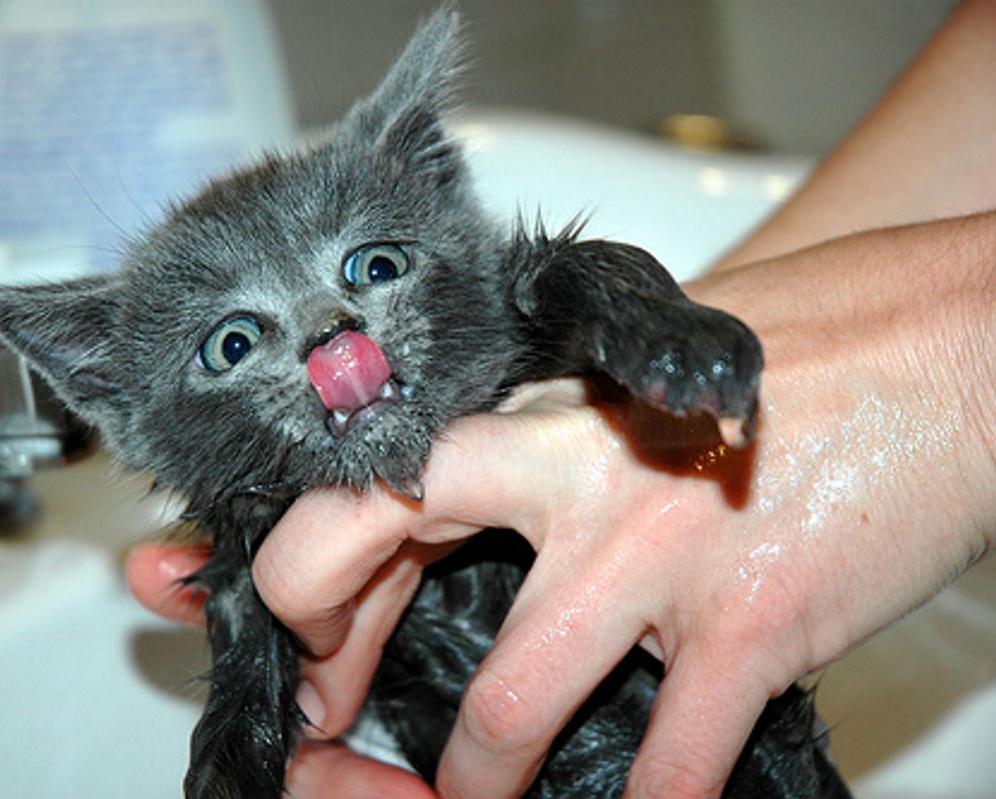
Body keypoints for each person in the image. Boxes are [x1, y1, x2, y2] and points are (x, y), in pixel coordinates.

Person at [126, 2, 996, 796]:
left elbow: (554, 283)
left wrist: (960, 364)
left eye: (376, 266)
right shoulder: (266, 529)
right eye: (235, 344)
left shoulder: (520, 303)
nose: (330, 333)